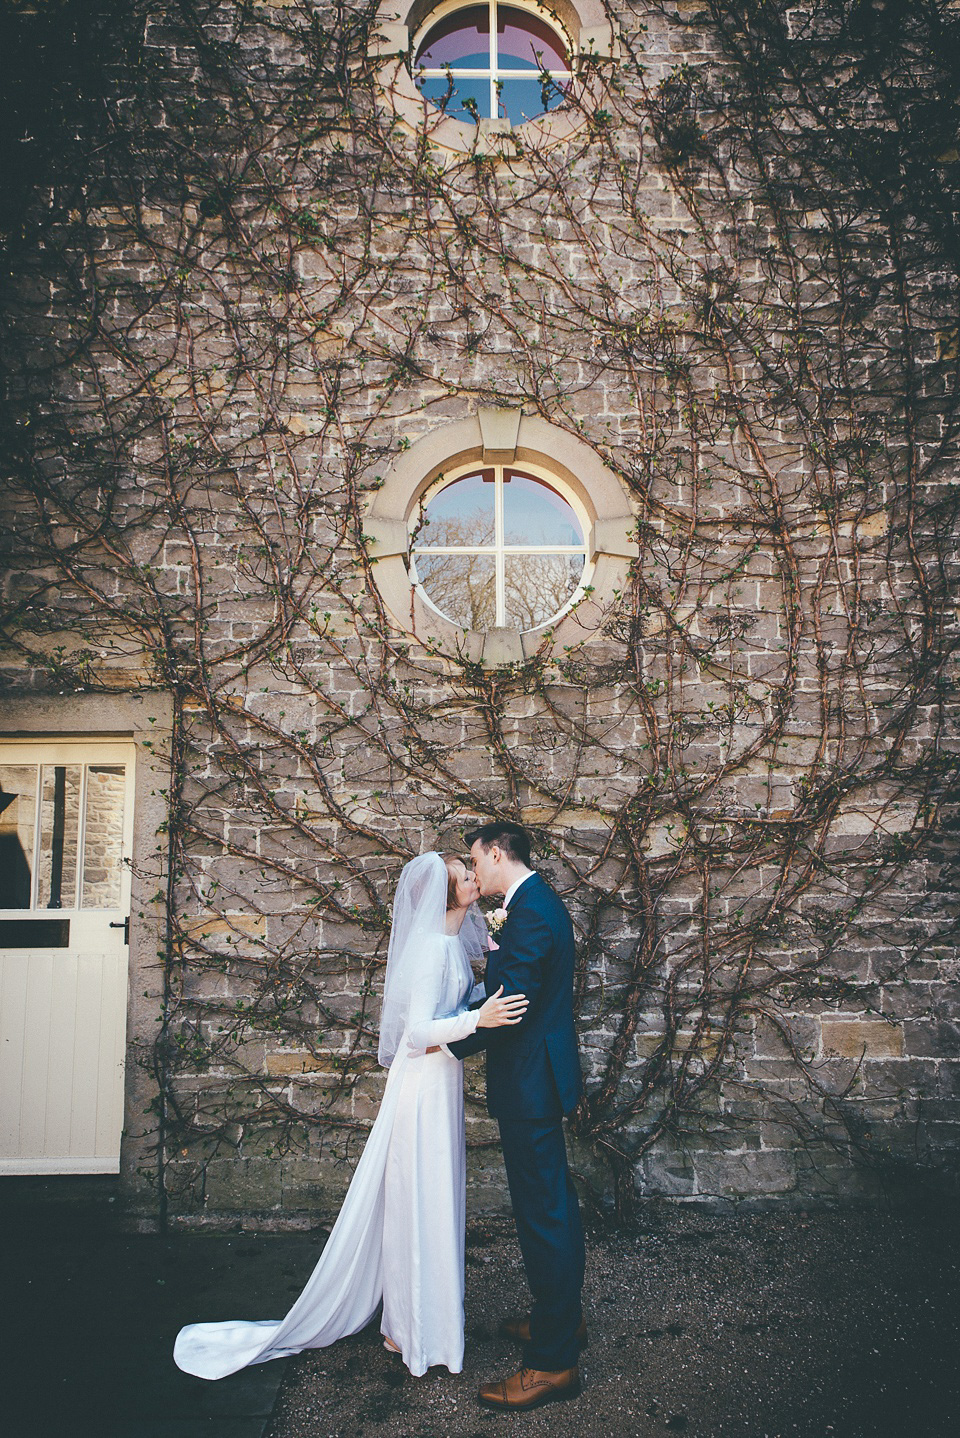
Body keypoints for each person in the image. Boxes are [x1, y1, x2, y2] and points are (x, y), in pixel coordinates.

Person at [173, 851, 526, 1380]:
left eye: (472, 871)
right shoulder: (430, 950)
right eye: (464, 875)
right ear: (446, 894)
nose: (475, 878)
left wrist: (482, 1000)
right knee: (419, 1201)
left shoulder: (451, 946)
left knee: (435, 1198)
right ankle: (414, 1333)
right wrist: (479, 1018)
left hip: (443, 1085)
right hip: (422, 1090)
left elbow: (451, 1010)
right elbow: (414, 1036)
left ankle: (411, 1324)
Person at [446, 820, 586, 1411]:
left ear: (497, 853)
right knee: (545, 1207)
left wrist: (439, 1041)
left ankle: (552, 1363)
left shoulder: (529, 913)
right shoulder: (531, 902)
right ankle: (559, 1322)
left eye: (476, 862)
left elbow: (514, 1004)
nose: (474, 874)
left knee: (544, 1214)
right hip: (533, 1079)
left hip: (531, 1085)